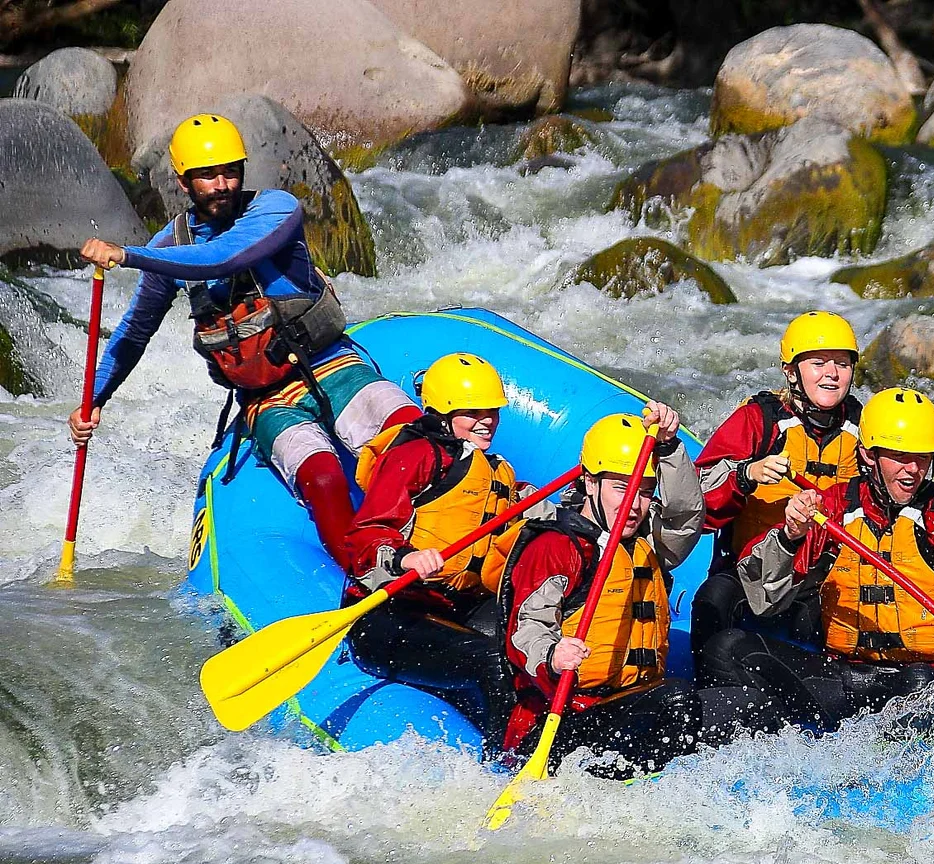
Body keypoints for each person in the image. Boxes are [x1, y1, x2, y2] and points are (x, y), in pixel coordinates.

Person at [73, 113, 418, 568]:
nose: (222, 185)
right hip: (266, 398)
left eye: (230, 171)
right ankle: (369, 568)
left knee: (410, 435)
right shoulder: (171, 244)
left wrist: (129, 254)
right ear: (183, 182)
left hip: (331, 365)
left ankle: (449, 532)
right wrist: (94, 397)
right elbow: (136, 331)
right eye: (208, 176)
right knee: (322, 476)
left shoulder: (275, 210)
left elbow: (222, 257)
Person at [699, 387, 934, 732]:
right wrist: (790, 535)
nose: (912, 470)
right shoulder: (833, 506)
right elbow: (765, 598)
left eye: (922, 458)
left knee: (918, 686)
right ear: (869, 455)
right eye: (899, 457)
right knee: (727, 649)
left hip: (928, 679)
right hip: (848, 677)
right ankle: (772, 742)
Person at [482, 404, 706, 773]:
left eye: (646, 492)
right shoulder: (557, 547)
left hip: (624, 703)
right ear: (589, 482)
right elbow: (527, 630)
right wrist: (553, 655)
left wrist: (669, 449)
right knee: (677, 699)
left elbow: (684, 519)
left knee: (736, 704)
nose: (634, 504)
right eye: (623, 487)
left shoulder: (643, 541)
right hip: (558, 720)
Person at [342, 353, 524, 746]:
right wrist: (405, 556)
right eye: (472, 411)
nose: (487, 420)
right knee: (493, 662)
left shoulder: (496, 471)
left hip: (457, 606)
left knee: (530, 647)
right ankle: (505, 766)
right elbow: (366, 535)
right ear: (443, 413)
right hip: (388, 612)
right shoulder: (415, 456)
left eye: (492, 410)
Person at [691, 310, 863, 663]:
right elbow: (696, 506)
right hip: (749, 572)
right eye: (819, 363)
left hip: (820, 579)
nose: (831, 374)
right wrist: (745, 475)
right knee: (712, 601)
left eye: (842, 364)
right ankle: (704, 697)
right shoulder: (759, 420)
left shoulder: (864, 429)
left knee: (822, 627)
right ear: (791, 371)